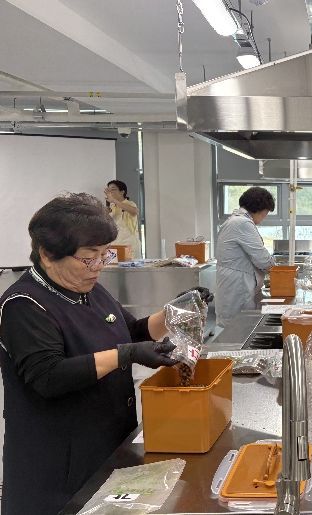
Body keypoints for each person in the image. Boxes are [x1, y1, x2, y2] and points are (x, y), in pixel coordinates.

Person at [0, 193, 213, 514]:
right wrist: (125, 355)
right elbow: (48, 377)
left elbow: (133, 332)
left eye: (104, 254)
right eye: (89, 257)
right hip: (59, 462)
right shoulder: (24, 305)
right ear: (47, 254)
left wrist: (176, 311)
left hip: (108, 439)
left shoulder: (88, 288)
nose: (99, 266)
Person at [215, 186, 276, 326]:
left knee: (236, 328)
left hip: (234, 284)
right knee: (238, 330)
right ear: (259, 209)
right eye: (265, 213)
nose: (264, 218)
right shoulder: (242, 223)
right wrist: (277, 270)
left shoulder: (235, 221)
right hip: (237, 287)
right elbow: (263, 259)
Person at [105, 179, 142, 259]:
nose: (110, 192)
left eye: (113, 189)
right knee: (112, 266)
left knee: (130, 266)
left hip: (129, 244)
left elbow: (135, 211)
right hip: (114, 244)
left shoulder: (130, 203)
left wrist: (114, 200)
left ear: (122, 192)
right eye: (109, 190)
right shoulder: (111, 207)